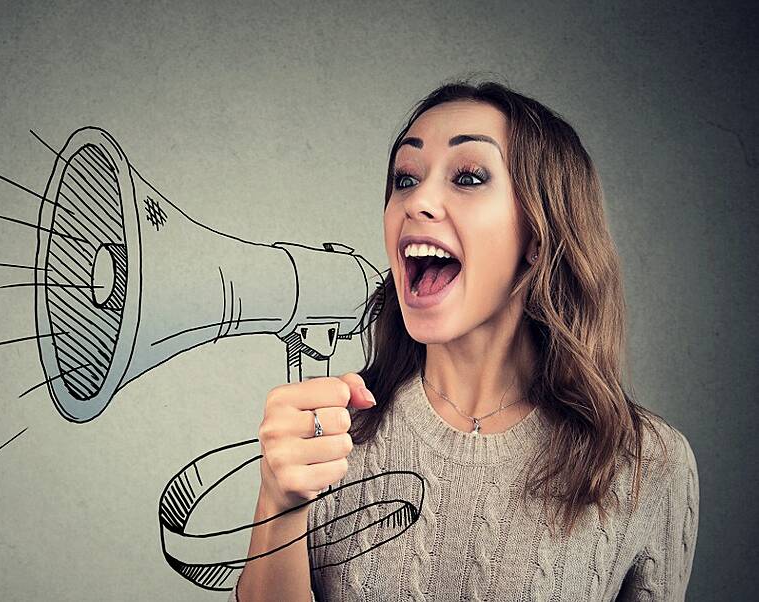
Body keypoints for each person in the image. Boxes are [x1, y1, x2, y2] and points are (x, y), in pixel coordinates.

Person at [229, 80, 699, 601]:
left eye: (469, 177)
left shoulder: (648, 466)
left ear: (538, 238)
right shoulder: (332, 439)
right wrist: (278, 500)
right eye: (405, 179)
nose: (418, 201)